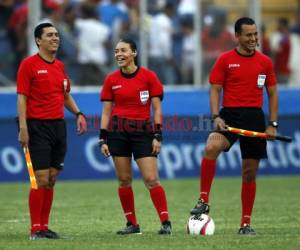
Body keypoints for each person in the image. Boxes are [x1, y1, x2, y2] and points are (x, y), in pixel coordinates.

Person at [190, 17, 278, 235]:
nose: (253, 38)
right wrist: (215, 116)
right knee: (211, 147)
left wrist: (272, 124)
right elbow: (215, 90)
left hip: (255, 119)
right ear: (237, 36)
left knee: (249, 173)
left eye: (255, 34)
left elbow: (273, 93)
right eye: (248, 35)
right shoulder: (225, 60)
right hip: (229, 116)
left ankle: (245, 224)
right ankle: (203, 201)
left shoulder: (265, 62)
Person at [17, 22, 87, 240]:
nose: (55, 38)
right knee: (40, 178)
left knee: (52, 178)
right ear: (38, 40)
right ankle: (35, 229)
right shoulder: (28, 65)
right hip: (36, 126)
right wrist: (23, 127)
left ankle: (44, 227)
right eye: (50, 35)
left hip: (58, 126)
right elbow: (22, 97)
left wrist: (78, 113)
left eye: (57, 34)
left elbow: (65, 95)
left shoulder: (60, 67)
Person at [99, 38, 172, 235]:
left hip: (143, 132)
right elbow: (106, 112)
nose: (118, 54)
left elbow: (157, 109)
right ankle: (132, 225)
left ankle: (166, 223)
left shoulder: (149, 77)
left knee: (151, 178)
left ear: (134, 53)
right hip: (117, 132)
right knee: (124, 180)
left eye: (123, 50)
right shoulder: (111, 80)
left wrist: (157, 135)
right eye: (116, 51)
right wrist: (102, 138)